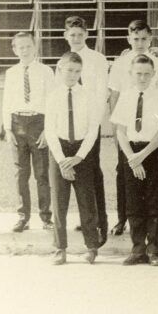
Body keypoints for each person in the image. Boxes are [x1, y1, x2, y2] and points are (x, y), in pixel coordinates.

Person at [107, 19, 158, 237]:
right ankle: (122, 218)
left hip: (149, 130)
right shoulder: (120, 64)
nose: (140, 43)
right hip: (126, 128)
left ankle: (147, 227)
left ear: (150, 39)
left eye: (144, 39)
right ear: (128, 39)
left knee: (150, 179)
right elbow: (114, 96)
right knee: (124, 174)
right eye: (135, 39)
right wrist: (116, 129)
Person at [111, 54, 158, 266]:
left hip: (152, 152)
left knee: (154, 203)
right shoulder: (126, 97)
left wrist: (142, 155)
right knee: (134, 203)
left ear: (154, 75)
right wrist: (132, 158)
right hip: (131, 153)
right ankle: (138, 249)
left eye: (147, 74)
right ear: (131, 74)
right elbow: (120, 131)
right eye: (138, 73)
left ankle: (154, 250)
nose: (143, 77)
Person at [45, 51, 102, 264]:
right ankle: (60, 248)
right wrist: (61, 160)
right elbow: (50, 130)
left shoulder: (88, 95)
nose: (73, 75)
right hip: (59, 150)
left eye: (77, 71)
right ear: (60, 69)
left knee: (87, 201)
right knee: (59, 202)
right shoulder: (53, 96)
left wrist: (78, 157)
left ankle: (91, 246)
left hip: (82, 152)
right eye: (69, 70)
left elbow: (92, 130)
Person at [2, 30, 55, 232]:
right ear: (15, 50)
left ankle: (46, 217)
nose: (24, 50)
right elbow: (6, 103)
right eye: (20, 47)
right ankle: (23, 217)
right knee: (20, 174)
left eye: (28, 46)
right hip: (17, 124)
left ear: (35, 47)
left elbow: (52, 102)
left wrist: (47, 130)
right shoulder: (11, 73)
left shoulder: (45, 71)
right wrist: (8, 129)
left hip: (38, 123)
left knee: (42, 174)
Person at [62, 15, 109, 240]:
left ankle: (99, 220)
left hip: (89, 125)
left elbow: (102, 94)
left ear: (87, 35)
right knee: (75, 175)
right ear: (65, 36)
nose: (76, 38)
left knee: (91, 171)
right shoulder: (63, 62)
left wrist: (95, 123)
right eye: (72, 35)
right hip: (68, 128)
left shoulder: (98, 59)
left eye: (80, 34)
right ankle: (86, 219)